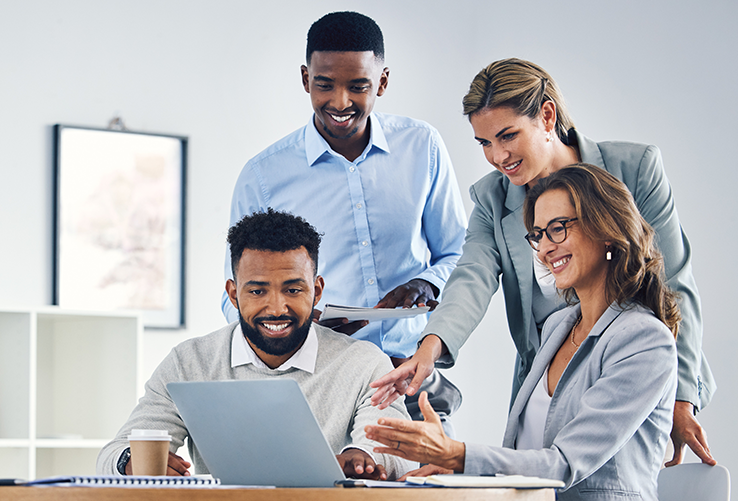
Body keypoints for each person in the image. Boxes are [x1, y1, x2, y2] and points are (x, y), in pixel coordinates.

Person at [371, 58, 716, 466]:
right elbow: (472, 277)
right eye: (484, 143)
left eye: (507, 136)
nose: (498, 156)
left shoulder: (634, 170)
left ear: (547, 115)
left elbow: (673, 283)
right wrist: (427, 351)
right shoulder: (493, 198)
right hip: (547, 375)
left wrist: (680, 397)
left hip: (629, 368)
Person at [366, 164, 678, 500]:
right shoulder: (560, 326)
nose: (544, 249)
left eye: (558, 228)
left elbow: (563, 464)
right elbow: (529, 458)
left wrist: (457, 455)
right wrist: (458, 469)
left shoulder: (644, 340)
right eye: (538, 235)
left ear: (606, 229)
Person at [223, 11, 467, 433]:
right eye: (324, 84)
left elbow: (460, 255)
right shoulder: (263, 176)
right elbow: (234, 298)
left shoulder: (421, 147)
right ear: (305, 79)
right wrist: (289, 323)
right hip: (318, 386)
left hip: (410, 380)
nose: (340, 102)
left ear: (383, 82)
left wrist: (425, 285)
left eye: (359, 86)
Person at [98, 209, 413, 480]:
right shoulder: (188, 361)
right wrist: (129, 463)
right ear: (233, 294)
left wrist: (363, 457)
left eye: (292, 290)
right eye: (257, 291)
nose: (276, 308)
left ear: (316, 291)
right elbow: (112, 454)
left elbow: (400, 453)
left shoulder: (364, 363)